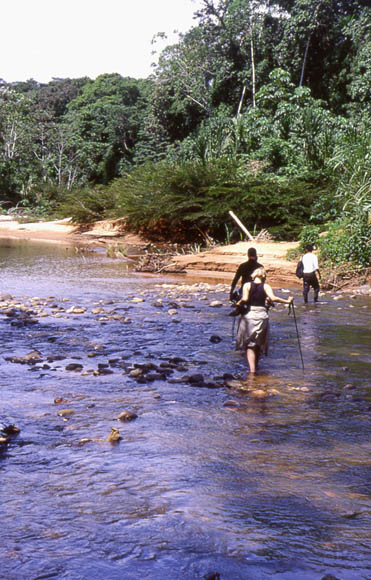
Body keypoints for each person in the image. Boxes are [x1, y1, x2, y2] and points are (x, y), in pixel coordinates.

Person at [236, 267, 294, 374]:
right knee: (258, 343)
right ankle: (256, 368)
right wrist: (288, 301)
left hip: (249, 315)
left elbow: (245, 299)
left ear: (254, 275)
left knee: (249, 344)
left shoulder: (247, 285)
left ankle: (252, 371)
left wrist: (238, 304)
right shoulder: (266, 286)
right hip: (262, 316)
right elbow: (273, 298)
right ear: (264, 277)